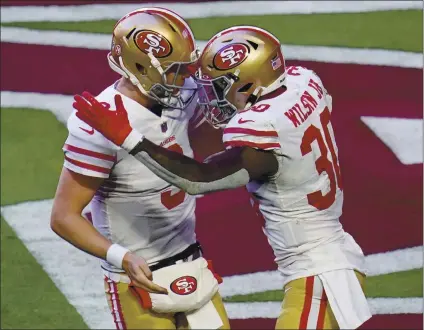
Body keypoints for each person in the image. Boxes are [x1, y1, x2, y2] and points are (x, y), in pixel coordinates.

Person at [73, 25, 373, 329]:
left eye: (219, 86)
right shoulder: (302, 82)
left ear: (248, 86)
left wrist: (129, 138)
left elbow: (198, 180)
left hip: (319, 271)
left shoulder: (264, 129)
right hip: (330, 257)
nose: (212, 96)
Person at [50, 7, 230, 330]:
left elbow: (205, 146)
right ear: (144, 69)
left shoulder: (183, 95)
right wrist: (121, 256)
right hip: (136, 276)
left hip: (190, 259)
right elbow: (63, 216)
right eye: (176, 70)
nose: (187, 78)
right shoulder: (100, 124)